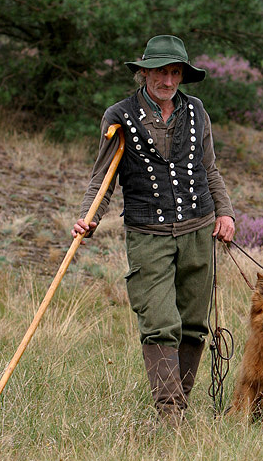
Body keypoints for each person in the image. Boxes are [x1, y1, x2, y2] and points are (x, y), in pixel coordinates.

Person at [72, 34, 235, 425]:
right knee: (161, 325)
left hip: (199, 230)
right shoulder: (119, 115)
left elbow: (209, 168)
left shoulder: (197, 111)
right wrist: (88, 216)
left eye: (175, 72)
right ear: (144, 73)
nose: (168, 81)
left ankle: (178, 407)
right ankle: (171, 418)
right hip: (148, 234)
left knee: (194, 327)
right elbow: (103, 178)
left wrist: (225, 212)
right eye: (161, 72)